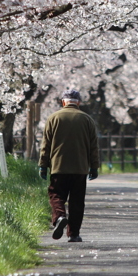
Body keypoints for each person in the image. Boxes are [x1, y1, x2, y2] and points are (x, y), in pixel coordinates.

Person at [38, 88, 100, 242]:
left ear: (63, 102)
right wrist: (94, 166)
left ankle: (59, 217)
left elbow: (46, 144)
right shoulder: (87, 119)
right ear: (78, 103)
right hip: (80, 167)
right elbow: (93, 146)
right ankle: (74, 234)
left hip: (59, 166)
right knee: (77, 201)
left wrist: (43, 165)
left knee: (56, 194)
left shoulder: (53, 118)